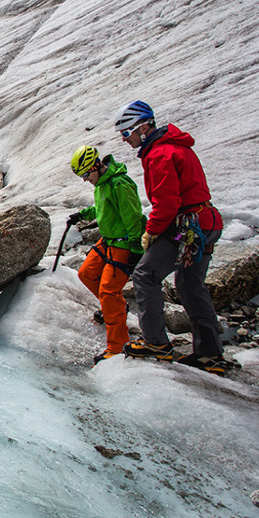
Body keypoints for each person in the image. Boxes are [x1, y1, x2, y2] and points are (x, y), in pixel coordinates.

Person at [114, 101, 234, 376]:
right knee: (190, 285)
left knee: (145, 275)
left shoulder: (159, 155)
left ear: (142, 127)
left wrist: (151, 231)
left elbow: (167, 203)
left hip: (186, 227)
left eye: (126, 133)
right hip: (207, 222)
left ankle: (156, 343)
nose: (125, 140)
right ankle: (210, 354)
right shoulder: (178, 146)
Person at [67, 145, 144, 365]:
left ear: (95, 166)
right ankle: (116, 308)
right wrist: (81, 215)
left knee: (109, 292)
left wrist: (135, 250)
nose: (84, 179)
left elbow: (133, 218)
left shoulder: (120, 184)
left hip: (122, 244)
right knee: (86, 273)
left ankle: (117, 347)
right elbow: (103, 209)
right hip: (108, 241)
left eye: (85, 174)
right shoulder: (101, 183)